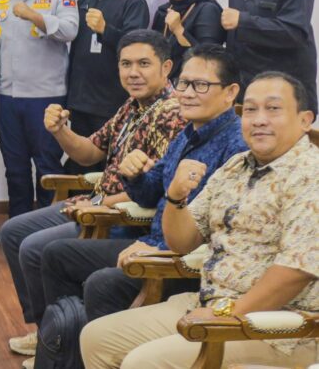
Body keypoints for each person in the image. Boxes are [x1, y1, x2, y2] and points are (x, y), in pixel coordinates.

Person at [26, 45, 248, 365]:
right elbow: (147, 194)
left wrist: (161, 250)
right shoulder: (188, 132)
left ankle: (90, 353)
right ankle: (63, 348)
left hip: (181, 259)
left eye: (200, 85)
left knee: (102, 283)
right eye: (184, 84)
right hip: (152, 242)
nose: (186, 93)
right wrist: (134, 174)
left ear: (230, 93)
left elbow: (212, 229)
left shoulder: (235, 146)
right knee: (56, 254)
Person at [81, 71, 319, 368]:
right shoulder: (236, 166)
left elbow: (295, 271)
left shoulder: (310, 174)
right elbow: (182, 242)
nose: (259, 119)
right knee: (96, 338)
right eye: (251, 110)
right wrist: (176, 197)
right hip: (209, 303)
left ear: (305, 120)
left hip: (276, 329)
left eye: (273, 109)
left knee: (142, 363)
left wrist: (228, 314)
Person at [1, 29, 185, 357]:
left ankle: (56, 342)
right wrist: (60, 131)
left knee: (32, 247)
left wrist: (97, 202)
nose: (133, 72)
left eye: (144, 63)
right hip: (95, 202)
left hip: (120, 216)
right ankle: (50, 330)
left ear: (166, 67)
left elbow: (153, 187)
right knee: (13, 232)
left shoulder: (172, 113)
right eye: (126, 64)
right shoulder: (132, 105)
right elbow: (89, 152)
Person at [0, 0, 78, 218]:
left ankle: (48, 226)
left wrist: (33, 15)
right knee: (15, 165)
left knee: (47, 163)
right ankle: (18, 224)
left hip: (46, 96)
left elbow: (69, 31)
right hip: (8, 96)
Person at [66, 0, 150, 174]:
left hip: (112, 102)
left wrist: (106, 29)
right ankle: (74, 210)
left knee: (108, 167)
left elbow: (136, 50)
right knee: (79, 166)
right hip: (81, 101)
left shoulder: (133, 0)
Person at [150, 0, 225, 81]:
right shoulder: (163, 11)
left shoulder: (207, 9)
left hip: (196, 85)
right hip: (163, 85)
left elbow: (210, 59)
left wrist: (179, 30)